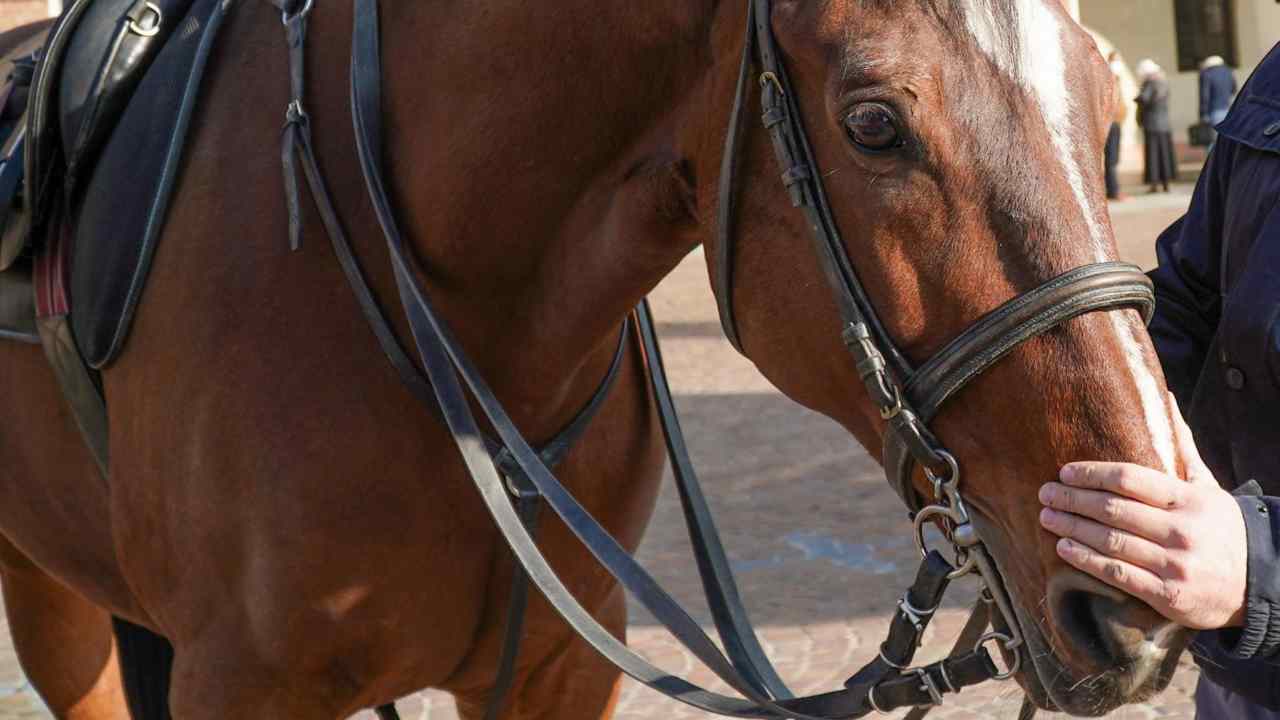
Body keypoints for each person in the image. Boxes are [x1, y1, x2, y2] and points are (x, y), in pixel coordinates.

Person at [1037, 44, 1280, 719]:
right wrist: (1065, 417)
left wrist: (1260, 571)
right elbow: (1185, 297)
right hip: (1245, 674)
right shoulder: (1277, 75)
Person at [1135, 59, 1178, 193]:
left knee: (1153, 155)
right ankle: (1166, 182)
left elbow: (1144, 98)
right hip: (1164, 124)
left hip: (1152, 124)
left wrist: (1136, 97)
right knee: (1165, 154)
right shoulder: (1164, 82)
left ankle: (1154, 183)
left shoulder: (1150, 83)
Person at [1104, 51, 1130, 201]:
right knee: (1112, 159)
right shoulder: (1109, 79)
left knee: (1113, 159)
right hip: (1111, 123)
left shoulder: (1116, 79)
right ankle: (1114, 191)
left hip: (1116, 121)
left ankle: (1112, 190)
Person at [1200, 55, 1239, 129]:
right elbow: (1234, 90)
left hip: (1214, 111)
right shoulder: (1229, 72)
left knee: (1216, 137)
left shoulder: (1207, 74)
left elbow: (1205, 96)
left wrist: (1203, 113)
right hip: (1228, 110)